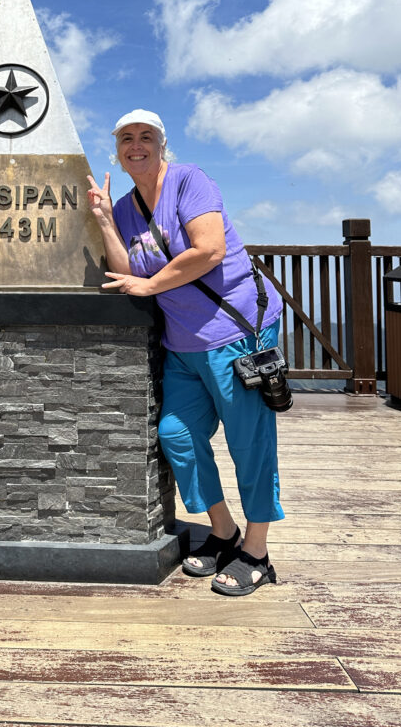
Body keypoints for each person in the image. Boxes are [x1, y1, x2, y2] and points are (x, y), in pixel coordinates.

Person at [87, 109, 284, 596]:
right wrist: (106, 221)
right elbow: (126, 270)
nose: (136, 145)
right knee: (176, 434)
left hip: (236, 334)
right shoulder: (130, 205)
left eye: (146, 137)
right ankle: (223, 530)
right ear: (117, 148)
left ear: (162, 143)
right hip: (183, 344)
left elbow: (210, 249)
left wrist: (151, 283)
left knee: (249, 443)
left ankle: (256, 552)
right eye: (126, 138)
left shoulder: (189, 180)